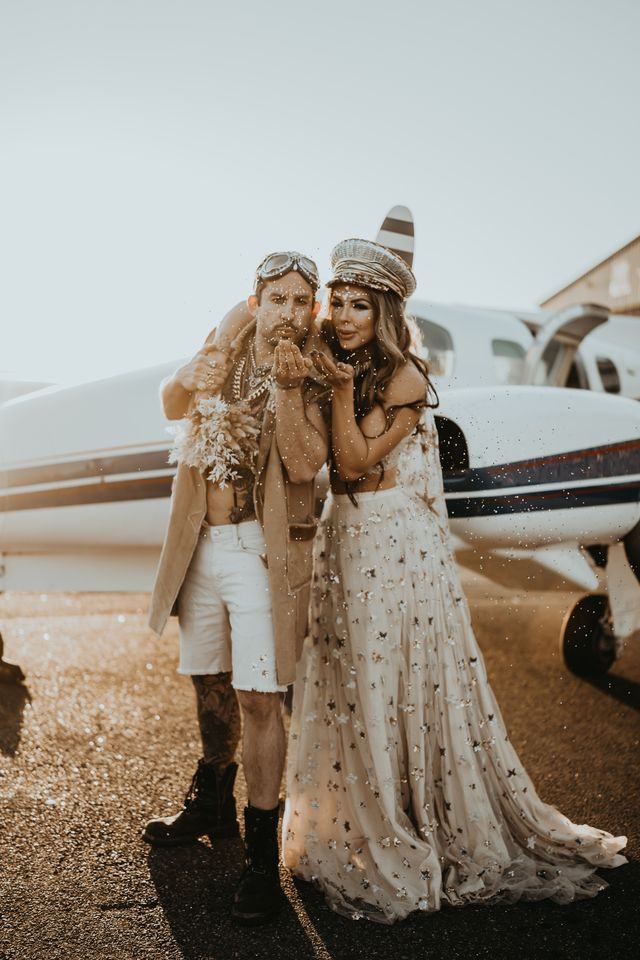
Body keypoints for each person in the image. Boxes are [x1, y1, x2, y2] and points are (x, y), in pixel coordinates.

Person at [282, 238, 627, 923]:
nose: (345, 316)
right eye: (339, 303)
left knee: (386, 683)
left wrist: (340, 390)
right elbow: (306, 462)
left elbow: (351, 466)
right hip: (342, 544)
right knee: (351, 682)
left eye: (360, 305)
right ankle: (356, 823)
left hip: (390, 547)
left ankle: (405, 828)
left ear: (383, 312)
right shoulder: (340, 366)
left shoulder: (404, 379)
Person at [146, 251, 329, 925]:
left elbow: (309, 464)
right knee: (208, 679)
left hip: (259, 551)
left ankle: (260, 862)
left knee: (259, 697)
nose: (287, 311)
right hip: (199, 543)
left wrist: (286, 390)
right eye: (276, 298)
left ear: (312, 308)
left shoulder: (311, 369)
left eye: (299, 301)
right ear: (255, 302)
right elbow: (171, 402)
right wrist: (185, 375)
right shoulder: (222, 340)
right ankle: (212, 802)